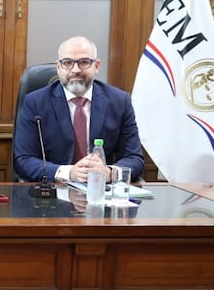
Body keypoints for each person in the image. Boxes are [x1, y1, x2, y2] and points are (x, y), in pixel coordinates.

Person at [13, 36, 144, 183]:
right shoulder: (36, 102)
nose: (76, 70)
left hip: (101, 192)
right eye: (67, 63)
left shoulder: (119, 101)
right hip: (53, 193)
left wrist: (109, 173)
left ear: (97, 66)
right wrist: (69, 173)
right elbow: (23, 160)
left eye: (84, 62)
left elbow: (134, 158)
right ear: (58, 67)